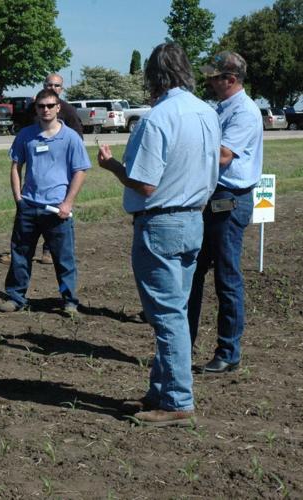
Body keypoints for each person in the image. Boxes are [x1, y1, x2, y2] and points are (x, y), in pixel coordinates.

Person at [96, 42, 220, 426]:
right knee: (175, 311)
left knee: (167, 317)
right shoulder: (207, 113)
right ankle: (161, 392)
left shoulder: (158, 118)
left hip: (161, 222)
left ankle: (178, 401)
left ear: (155, 76)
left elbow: (145, 183)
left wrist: (113, 167)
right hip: (193, 219)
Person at [187, 51, 263, 374]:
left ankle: (229, 352)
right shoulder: (222, 108)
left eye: (215, 77)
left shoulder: (244, 112)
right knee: (193, 271)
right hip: (215, 198)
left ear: (230, 80)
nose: (210, 82)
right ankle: (183, 345)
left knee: (226, 276)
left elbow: (222, 155)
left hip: (230, 200)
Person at [0, 88, 90, 316]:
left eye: (50, 105)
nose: (45, 110)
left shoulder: (70, 138)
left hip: (57, 209)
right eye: (41, 106)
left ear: (58, 107)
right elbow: (16, 166)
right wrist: (18, 198)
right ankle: (16, 297)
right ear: (36, 109)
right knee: (20, 255)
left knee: (63, 259)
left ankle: (69, 301)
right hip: (29, 207)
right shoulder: (26, 135)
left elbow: (80, 171)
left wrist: (67, 203)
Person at [0, 73, 84, 267]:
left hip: (59, 177)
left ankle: (48, 251)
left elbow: (78, 139)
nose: (53, 88)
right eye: (49, 84)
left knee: (56, 219)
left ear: (61, 89)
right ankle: (20, 252)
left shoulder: (69, 111)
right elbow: (23, 132)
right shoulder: (33, 108)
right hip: (33, 181)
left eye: (57, 85)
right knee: (26, 222)